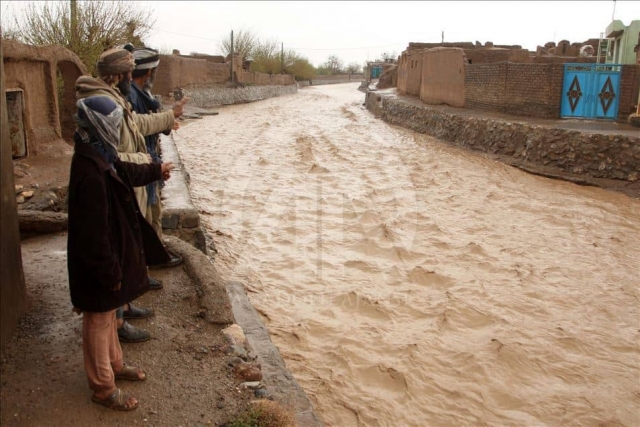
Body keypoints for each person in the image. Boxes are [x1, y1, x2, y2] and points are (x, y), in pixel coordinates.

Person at [67, 94, 175, 410]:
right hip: (97, 265)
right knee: (98, 322)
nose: (116, 128)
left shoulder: (97, 155)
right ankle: (103, 387)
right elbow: (93, 236)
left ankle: (114, 366)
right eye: (113, 123)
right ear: (100, 126)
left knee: (107, 317)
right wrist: (110, 272)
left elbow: (125, 169)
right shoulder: (89, 172)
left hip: (103, 262)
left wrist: (157, 170)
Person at [75, 48, 185, 342]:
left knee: (127, 246)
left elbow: (134, 126)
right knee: (119, 250)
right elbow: (115, 156)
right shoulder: (105, 102)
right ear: (123, 75)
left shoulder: (112, 96)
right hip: (122, 183)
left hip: (128, 180)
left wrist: (166, 118)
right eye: (129, 71)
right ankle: (119, 322)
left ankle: (123, 307)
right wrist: (150, 164)